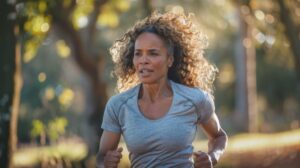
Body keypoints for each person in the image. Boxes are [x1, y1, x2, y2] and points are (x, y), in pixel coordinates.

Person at [96, 10, 228, 168]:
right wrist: (105, 163)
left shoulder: (195, 99)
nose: (143, 61)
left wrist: (212, 157)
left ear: (170, 60)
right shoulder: (118, 105)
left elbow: (219, 137)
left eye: (153, 53)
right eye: (138, 54)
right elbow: (101, 157)